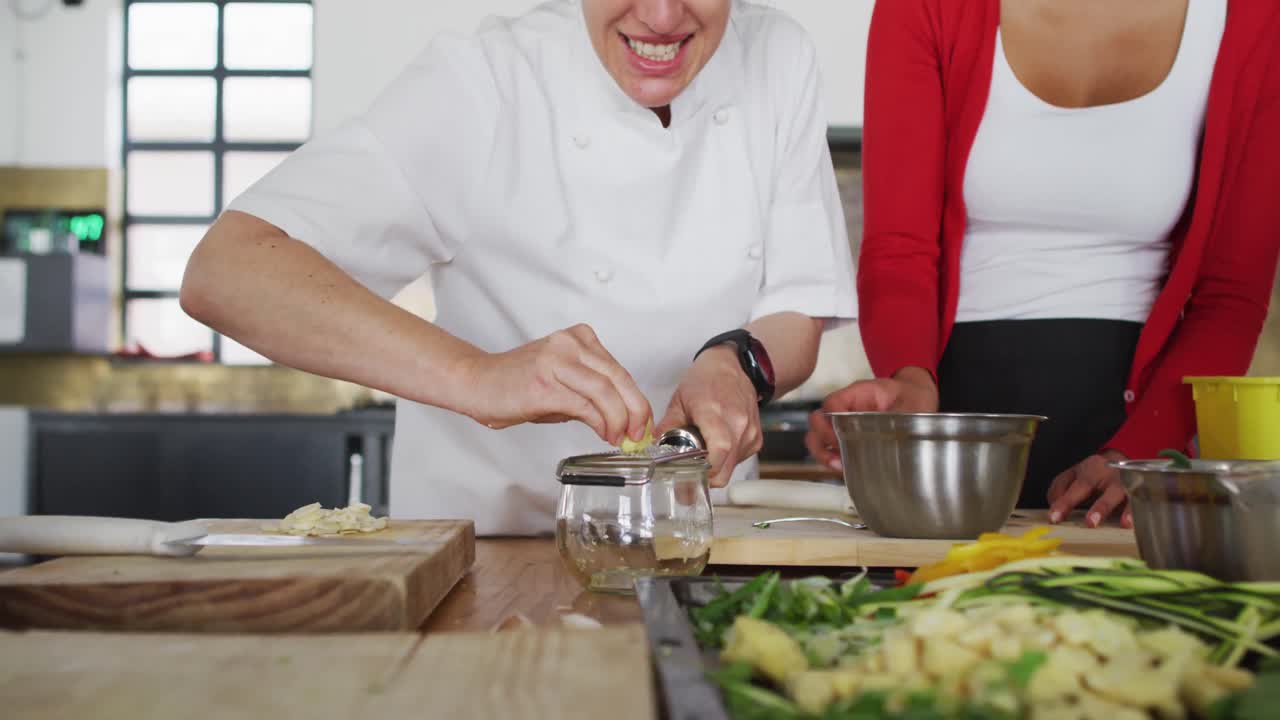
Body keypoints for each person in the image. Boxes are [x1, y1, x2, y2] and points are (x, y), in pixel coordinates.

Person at [180, 0, 856, 535]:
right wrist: (480, 376)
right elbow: (228, 270)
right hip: (484, 549)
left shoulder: (777, 58)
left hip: (697, 539)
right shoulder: (484, 80)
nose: (661, 16)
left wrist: (734, 363)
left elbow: (797, 303)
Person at [806, 0, 1280, 528]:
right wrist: (910, 382)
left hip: (1138, 447)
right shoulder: (924, 9)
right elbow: (899, 248)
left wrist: (1141, 454)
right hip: (957, 440)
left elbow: (1229, 296)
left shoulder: (1253, 18)